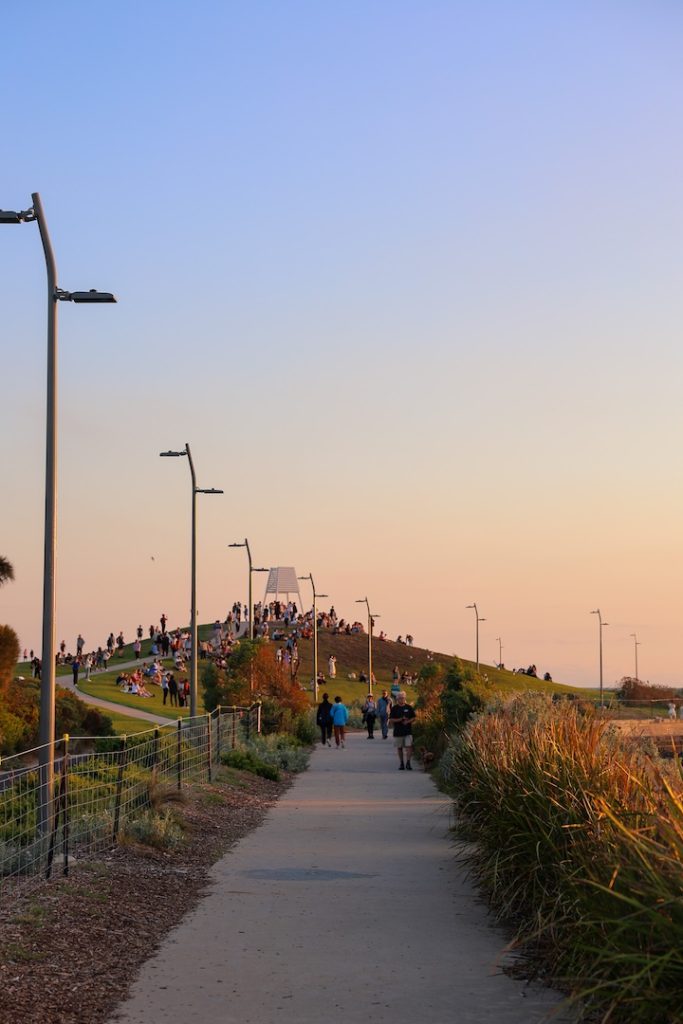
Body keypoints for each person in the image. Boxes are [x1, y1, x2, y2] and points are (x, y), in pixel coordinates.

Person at [389, 691, 416, 770]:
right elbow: (391, 720)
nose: (402, 699)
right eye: (400, 698)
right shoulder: (394, 708)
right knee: (399, 747)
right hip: (398, 731)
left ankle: (408, 762)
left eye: (403, 698)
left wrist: (408, 721)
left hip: (408, 731)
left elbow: (414, 717)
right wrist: (400, 719)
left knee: (409, 746)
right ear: (397, 699)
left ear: (405, 698)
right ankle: (401, 763)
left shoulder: (409, 707)